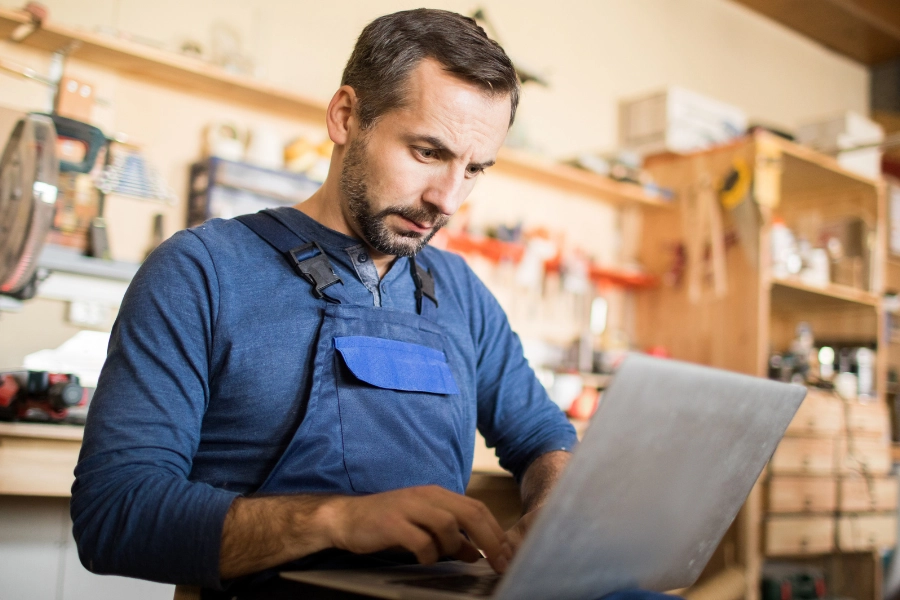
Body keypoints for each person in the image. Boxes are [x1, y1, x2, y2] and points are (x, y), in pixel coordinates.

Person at [71, 9, 682, 599]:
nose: (447, 198)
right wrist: (337, 519)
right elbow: (115, 514)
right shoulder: (202, 271)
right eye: (427, 152)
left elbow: (542, 434)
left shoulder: (459, 290)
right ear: (345, 116)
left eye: (475, 168)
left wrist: (556, 503)